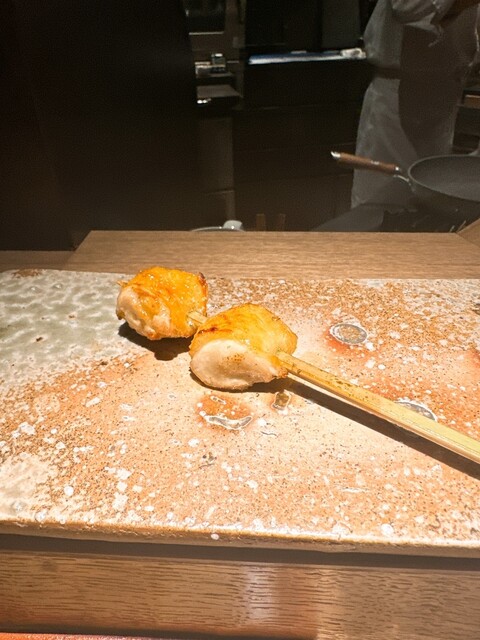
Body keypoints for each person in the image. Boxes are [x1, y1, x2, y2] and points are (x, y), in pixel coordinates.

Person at [351, 0, 480, 208]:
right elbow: (406, 6)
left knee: (431, 207)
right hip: (398, 95)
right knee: (381, 208)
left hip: (446, 93)